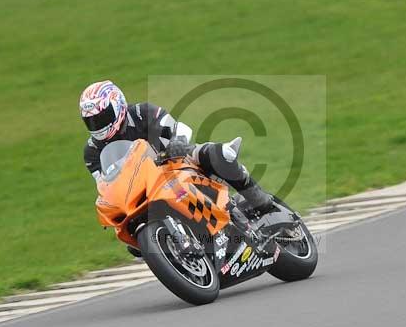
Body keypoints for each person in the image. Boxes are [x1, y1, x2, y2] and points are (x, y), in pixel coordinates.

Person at [79, 80, 274, 227]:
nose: (99, 125)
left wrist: (177, 142)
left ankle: (260, 200)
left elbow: (176, 127)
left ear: (118, 105)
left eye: (102, 117)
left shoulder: (141, 112)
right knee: (131, 236)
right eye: (92, 121)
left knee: (219, 155)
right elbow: (105, 185)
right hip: (141, 188)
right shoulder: (92, 152)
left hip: (174, 161)